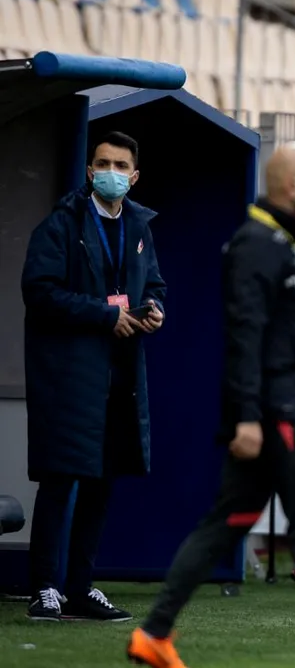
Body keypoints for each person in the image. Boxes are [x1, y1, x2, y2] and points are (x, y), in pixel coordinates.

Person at [127, 142, 295, 668]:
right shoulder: (257, 243)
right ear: (291, 187)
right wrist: (249, 416)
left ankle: (154, 635)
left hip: (284, 403)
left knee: (226, 521)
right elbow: (245, 336)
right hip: (278, 409)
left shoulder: (287, 247)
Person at [23, 131, 165, 622]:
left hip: (121, 377)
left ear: (134, 175)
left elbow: (156, 283)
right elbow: (39, 293)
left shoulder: (141, 225)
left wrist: (156, 310)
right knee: (61, 481)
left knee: (102, 484)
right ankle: (44, 588)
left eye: (121, 164)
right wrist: (106, 316)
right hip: (70, 375)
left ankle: (81, 588)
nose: (111, 171)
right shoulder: (61, 224)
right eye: (102, 162)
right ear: (89, 171)